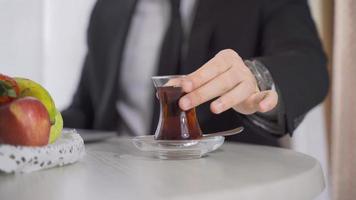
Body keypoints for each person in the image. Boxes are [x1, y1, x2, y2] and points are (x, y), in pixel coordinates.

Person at [62, 0, 329, 146]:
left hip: (228, 188)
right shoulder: (108, 9)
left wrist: (257, 77)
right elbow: (86, 109)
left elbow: (309, 64)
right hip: (117, 186)